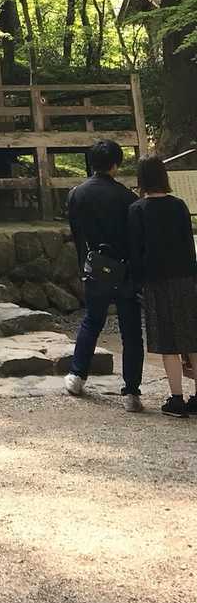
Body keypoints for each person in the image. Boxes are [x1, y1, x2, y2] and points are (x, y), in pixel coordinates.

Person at [65, 138, 144, 412]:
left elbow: (77, 234)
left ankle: (77, 376)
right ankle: (132, 392)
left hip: (95, 267)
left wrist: (83, 266)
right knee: (131, 331)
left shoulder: (77, 194)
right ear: (116, 164)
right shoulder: (128, 198)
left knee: (92, 321)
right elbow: (136, 240)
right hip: (124, 270)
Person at [128, 156, 197, 418]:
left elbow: (136, 252)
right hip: (185, 278)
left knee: (168, 341)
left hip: (156, 281)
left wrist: (136, 282)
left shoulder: (137, 210)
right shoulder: (179, 206)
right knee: (192, 338)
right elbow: (188, 244)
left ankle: (176, 398)